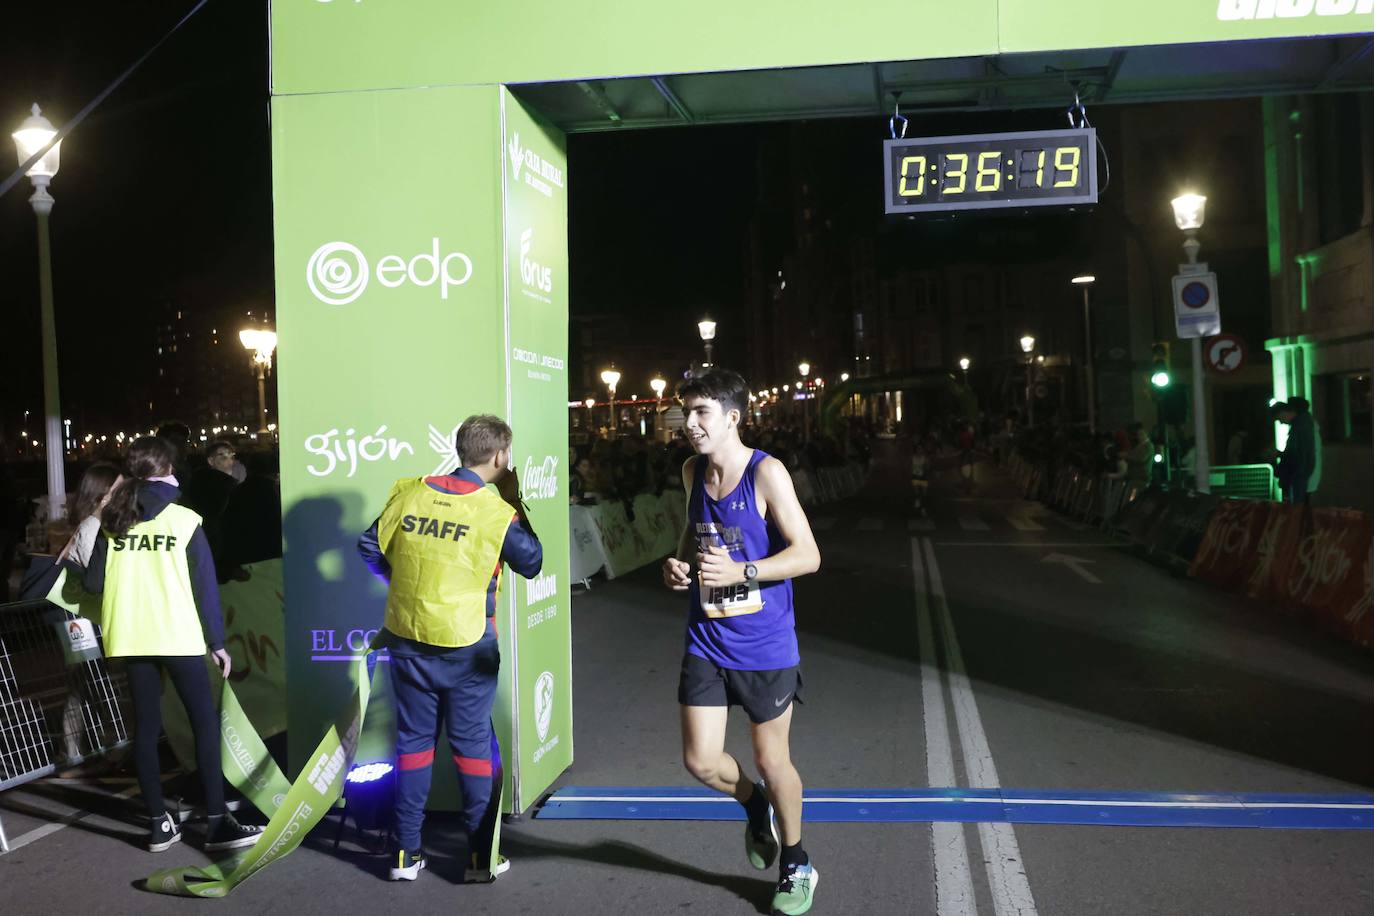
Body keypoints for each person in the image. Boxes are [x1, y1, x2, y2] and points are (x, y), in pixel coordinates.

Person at [661, 368, 822, 916]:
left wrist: (743, 573)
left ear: (733, 418)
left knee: (771, 759)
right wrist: (680, 565)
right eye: (687, 412)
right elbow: (692, 532)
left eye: (702, 412)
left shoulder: (766, 473)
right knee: (701, 761)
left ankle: (797, 862)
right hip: (706, 638)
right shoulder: (691, 472)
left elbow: (808, 555)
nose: (691, 423)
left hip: (765, 645)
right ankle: (755, 809)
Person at [356, 414, 542, 884]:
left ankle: (404, 856)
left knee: (414, 746)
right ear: (501, 456)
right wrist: (515, 500)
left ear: (461, 450)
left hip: (408, 638)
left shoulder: (411, 494)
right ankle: (480, 858)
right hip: (467, 646)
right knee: (472, 746)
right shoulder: (495, 511)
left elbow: (367, 545)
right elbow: (533, 562)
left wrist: (401, 584)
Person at [80, 436, 263, 853]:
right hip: (178, 634)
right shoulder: (184, 520)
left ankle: (160, 824)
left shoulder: (113, 521)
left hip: (129, 635)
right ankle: (217, 823)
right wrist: (217, 642)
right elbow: (205, 590)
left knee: (144, 730)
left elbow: (93, 583)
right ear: (166, 471)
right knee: (203, 724)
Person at [1273, 399, 1318, 504]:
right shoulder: (1304, 425)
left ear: (1285, 412)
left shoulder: (1300, 427)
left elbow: (1296, 454)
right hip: (1299, 474)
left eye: (1279, 418)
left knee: (1296, 508)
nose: (1280, 422)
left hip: (1297, 475)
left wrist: (1280, 456)